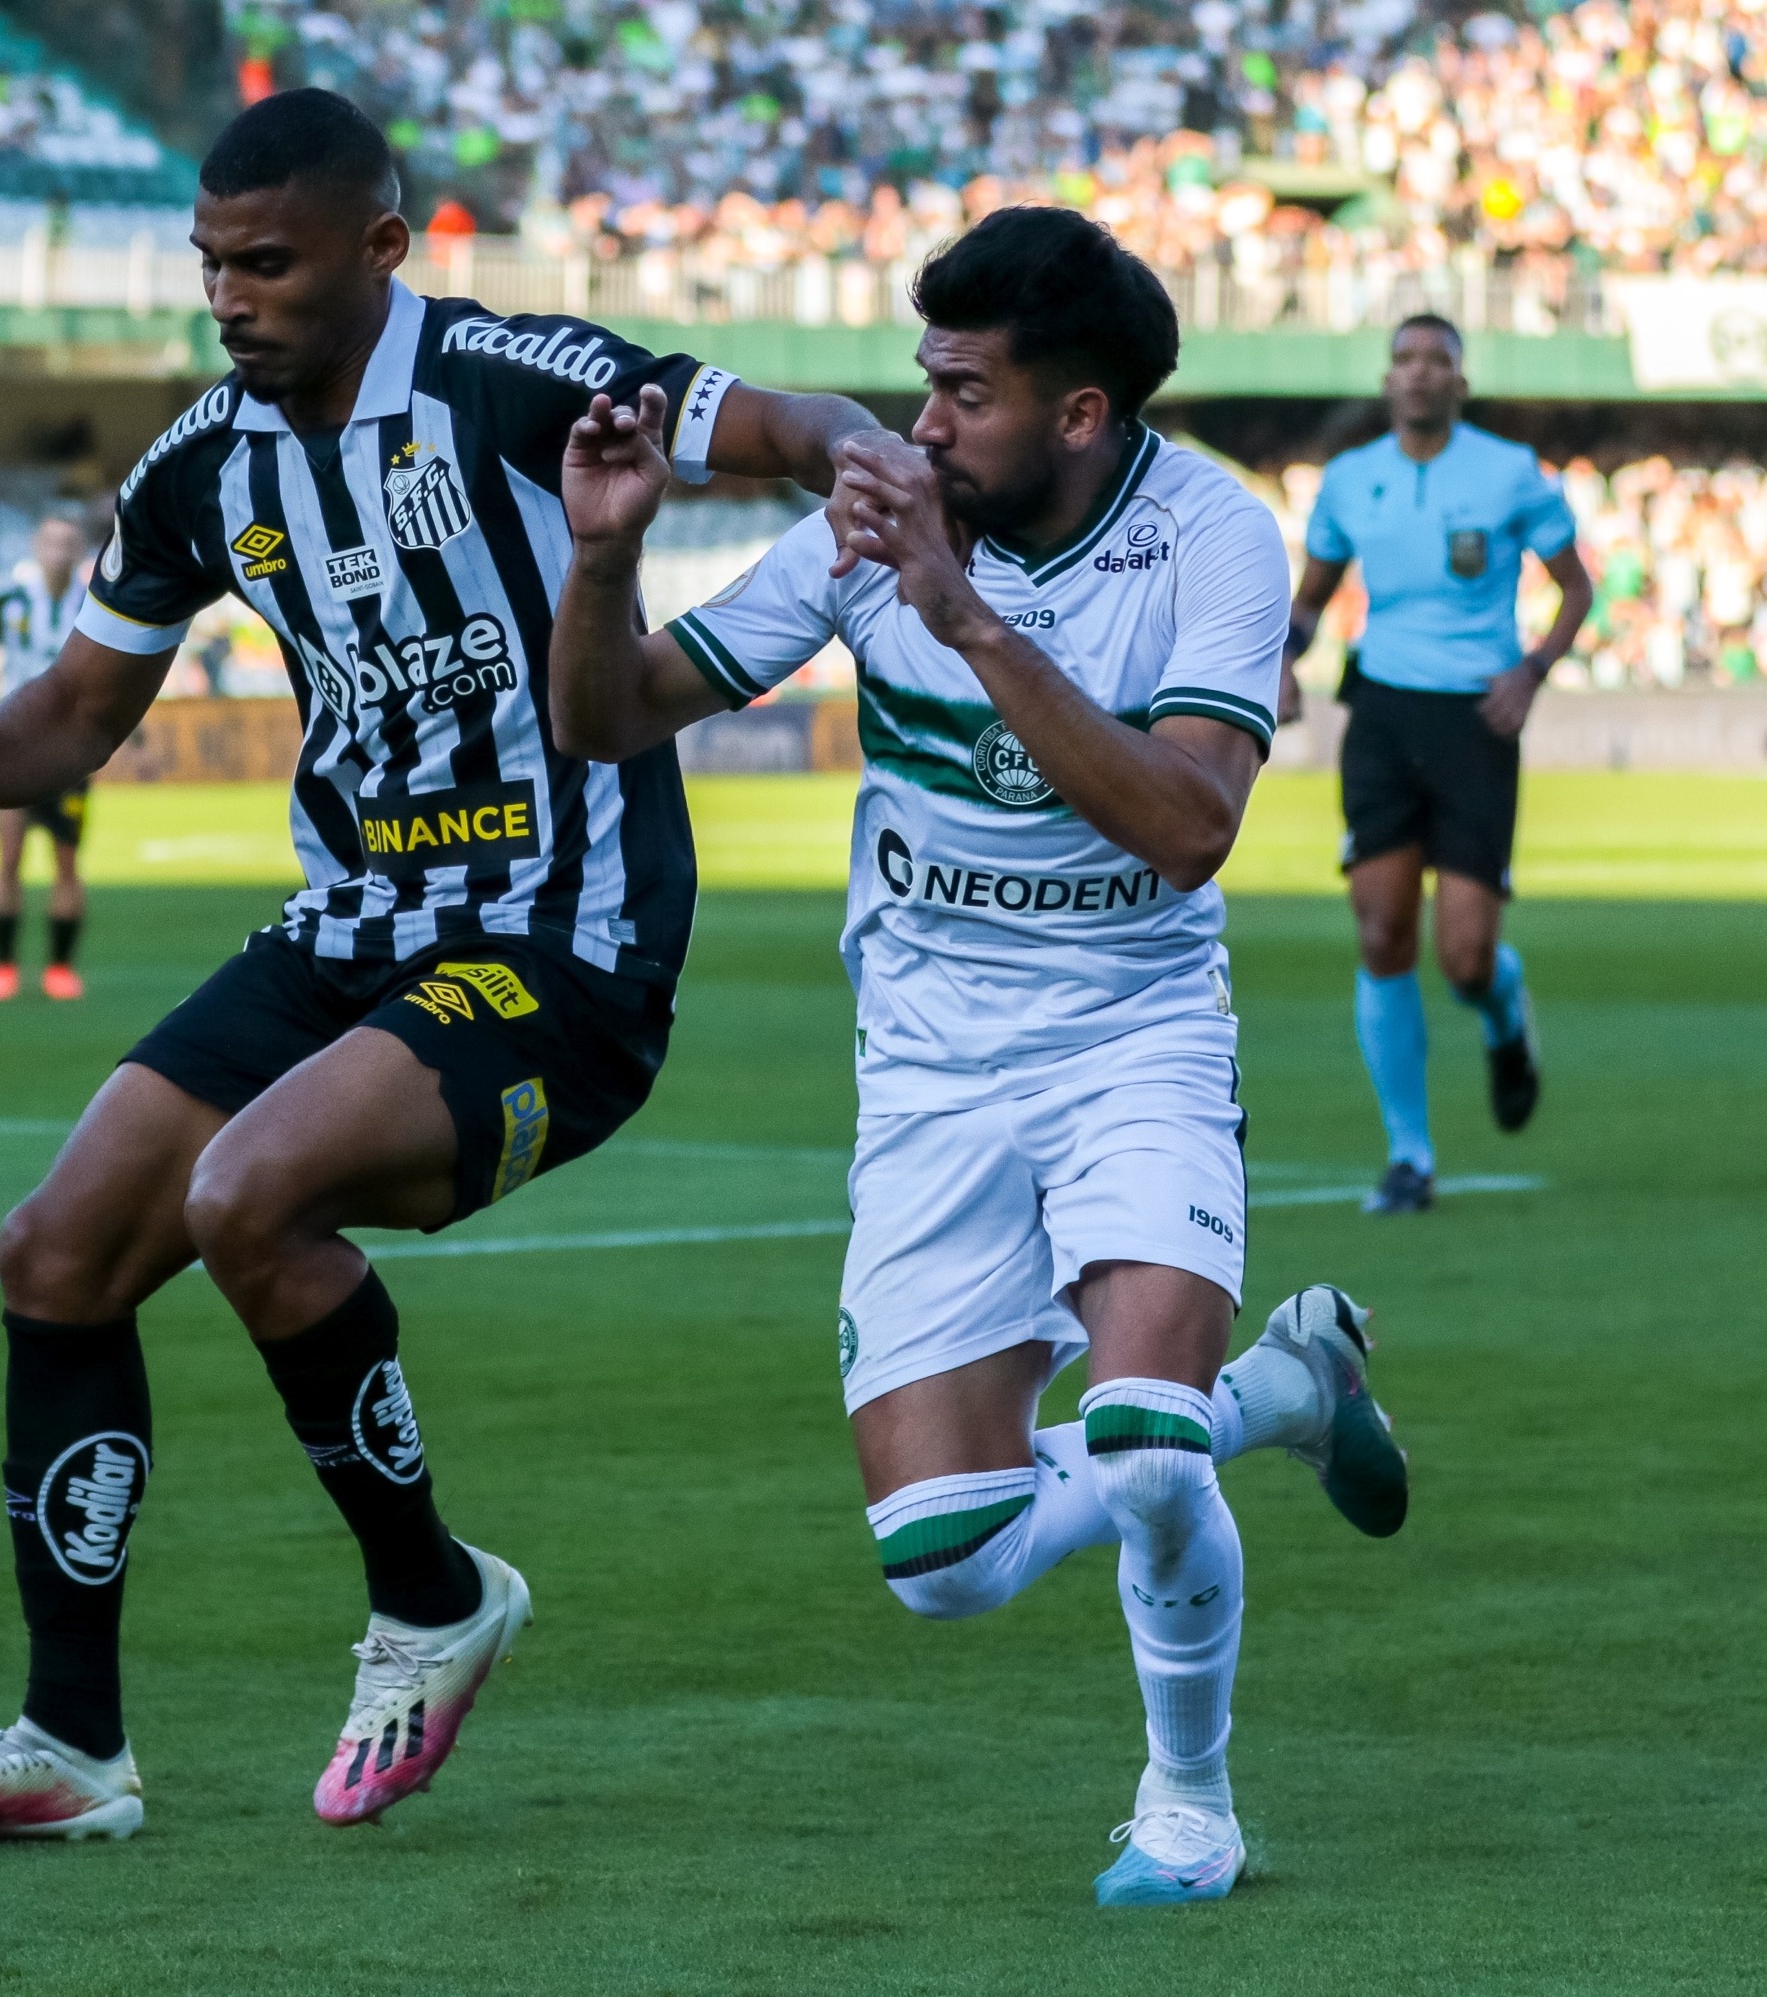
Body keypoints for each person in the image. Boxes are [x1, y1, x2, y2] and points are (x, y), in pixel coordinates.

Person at [0, 86, 880, 1843]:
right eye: (211, 264)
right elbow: (86, 709)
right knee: (56, 1250)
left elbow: (772, 418)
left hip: (559, 939)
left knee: (249, 1193)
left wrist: (870, 450)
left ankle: (433, 1597)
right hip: (349, 927)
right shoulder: (199, 464)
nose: (230, 297)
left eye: (270, 263)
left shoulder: (509, 379)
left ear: (381, 248)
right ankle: (69, 1745)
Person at [545, 205, 1411, 1906]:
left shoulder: (1216, 544)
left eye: (962, 393)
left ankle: (1188, 1804)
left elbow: (1185, 829)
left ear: (1078, 416)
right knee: (938, 1561)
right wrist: (598, 556)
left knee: (1148, 1435)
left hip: (1130, 1033)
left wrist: (963, 616)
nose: (917, 427)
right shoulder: (866, 527)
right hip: (932, 1060)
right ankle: (1295, 1387)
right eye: (919, 384)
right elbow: (606, 716)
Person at [1280, 316, 1593, 1214]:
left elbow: (1576, 585)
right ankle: (1409, 1156)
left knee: (1462, 957)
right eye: (1406, 360)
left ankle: (1503, 1008)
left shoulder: (1506, 471)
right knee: (1380, 931)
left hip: (1474, 719)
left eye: (1437, 362)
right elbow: (1313, 600)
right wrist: (1283, 661)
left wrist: (1531, 671)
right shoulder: (1350, 480)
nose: (1419, 375)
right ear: (1387, 380)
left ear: (1460, 382)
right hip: (1380, 710)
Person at [0, 514, 96, 1002]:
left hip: (70, 751)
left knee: (66, 859)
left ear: (79, 550)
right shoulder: (7, 603)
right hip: (13, 745)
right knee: (9, 855)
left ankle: (59, 968)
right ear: (36, 547)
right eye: (52, 540)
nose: (59, 550)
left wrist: (130, 738)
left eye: (68, 541)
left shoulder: (94, 604)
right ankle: (3, 967)